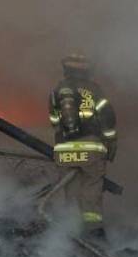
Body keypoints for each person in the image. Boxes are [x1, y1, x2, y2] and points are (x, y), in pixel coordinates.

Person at [48, 53, 116, 238]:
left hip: (64, 149)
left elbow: (54, 121)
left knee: (71, 191)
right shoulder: (95, 90)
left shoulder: (57, 91)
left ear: (66, 69)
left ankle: (72, 232)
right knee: (91, 188)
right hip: (91, 149)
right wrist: (110, 140)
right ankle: (94, 233)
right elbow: (108, 117)